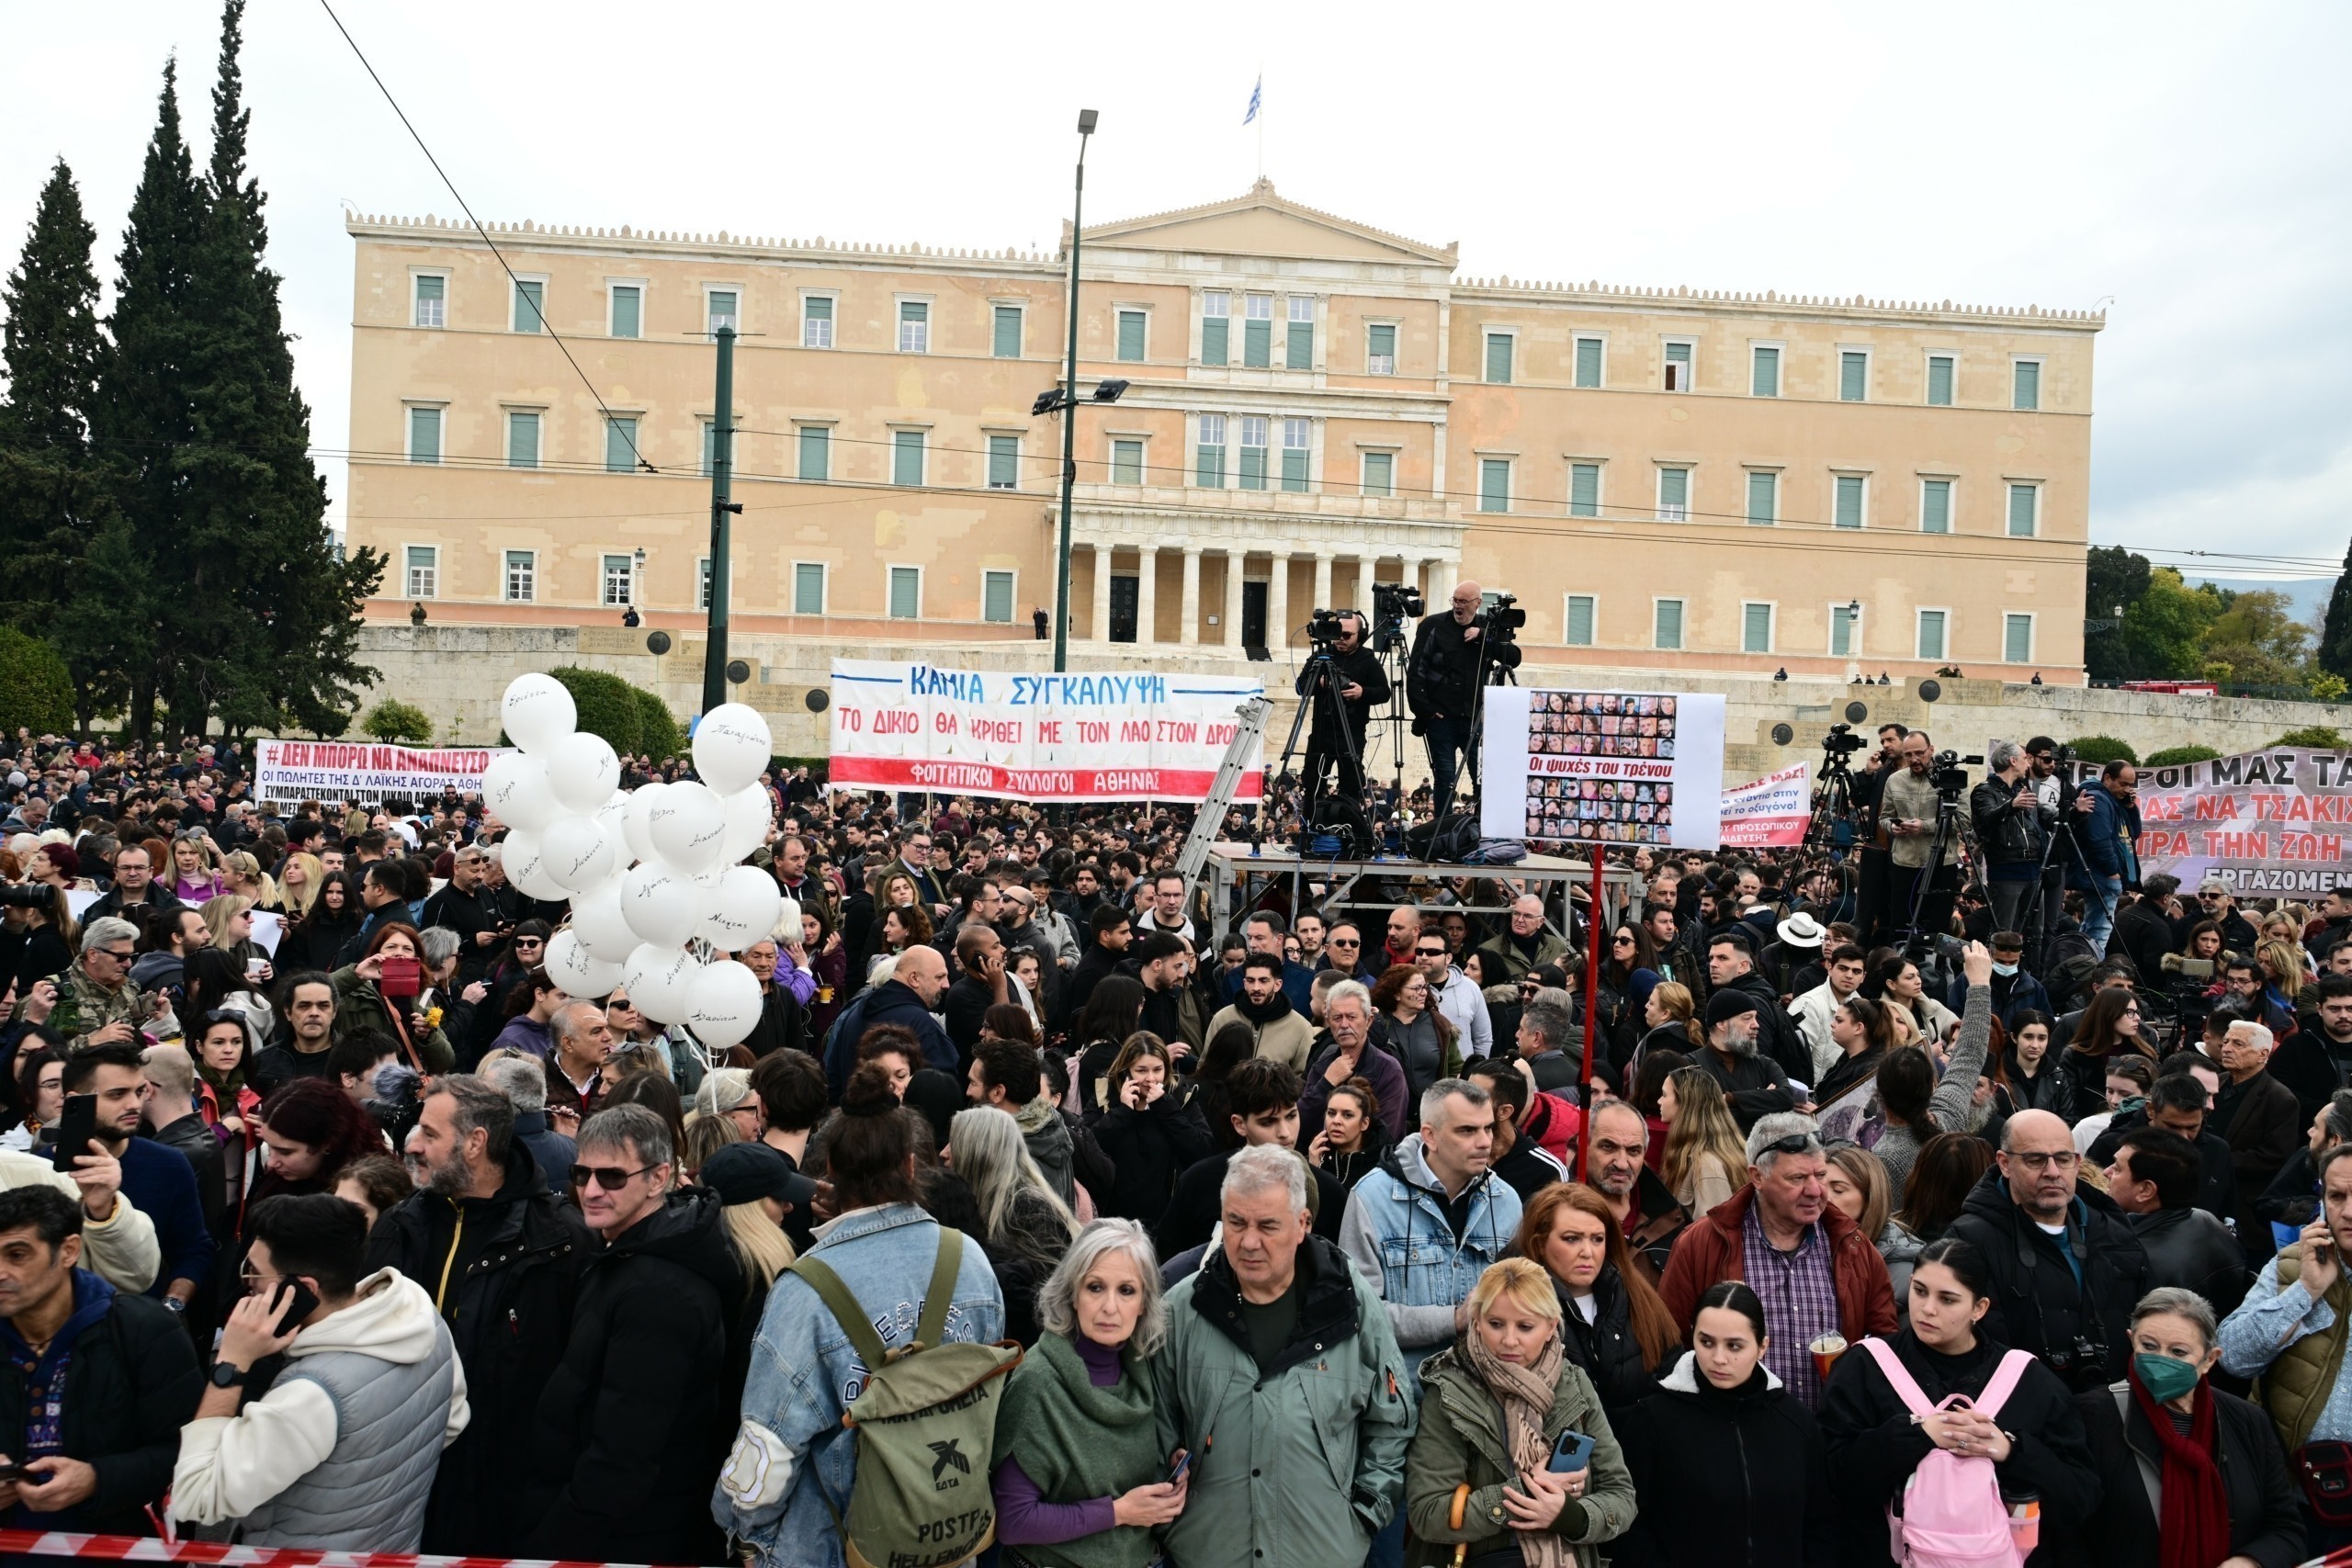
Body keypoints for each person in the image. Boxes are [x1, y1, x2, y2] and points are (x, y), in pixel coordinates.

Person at [718, 1063, 1006, 1568]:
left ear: (828, 1168)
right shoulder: (969, 1260)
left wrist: (739, 1525)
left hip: (839, 1543)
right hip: (949, 1536)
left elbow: (768, 1451)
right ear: (912, 1169)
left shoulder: (805, 1289)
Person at [1150, 1144, 1411, 1568]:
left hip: (1323, 1552)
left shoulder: (1349, 1304)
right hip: (1208, 1553)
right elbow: (1154, 1423)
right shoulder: (1182, 1309)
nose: (1249, 1242)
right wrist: (1170, 1506)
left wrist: (1366, 1511)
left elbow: (1392, 1418)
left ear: (1302, 1224)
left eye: (1268, 1226)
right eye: (1236, 1222)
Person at [364, 1074, 591, 1554]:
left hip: (503, 1484)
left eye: (430, 1133)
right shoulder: (399, 1225)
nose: (415, 1146)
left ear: (475, 1143)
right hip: (400, 1468)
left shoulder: (559, 1240)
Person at [169, 1192, 467, 1549]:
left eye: (255, 1273)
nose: (247, 1284)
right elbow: (453, 1421)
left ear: (303, 1289)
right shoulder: (421, 1319)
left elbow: (197, 1496)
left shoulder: (309, 1395)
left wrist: (230, 1364)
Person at [524, 1103, 741, 1564]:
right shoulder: (625, 1256)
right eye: (582, 1175)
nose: (592, 1191)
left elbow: (624, 1454)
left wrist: (556, 1545)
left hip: (628, 1536)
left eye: (613, 1178)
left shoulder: (657, 1294)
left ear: (658, 1178)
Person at [1817, 1235, 2100, 1568]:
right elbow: (1832, 1479)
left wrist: (2011, 1450)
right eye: (1920, 1291)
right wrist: (1916, 1437)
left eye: (1948, 1299)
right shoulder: (1865, 1366)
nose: (1927, 1309)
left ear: (1979, 1308)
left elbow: (2081, 1497)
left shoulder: (2029, 1379)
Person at [1402, 1256, 1635, 1568]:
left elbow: (1621, 1497)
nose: (1508, 1340)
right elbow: (1428, 1514)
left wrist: (1569, 1515)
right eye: (1495, 1324)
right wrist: (1522, 1496)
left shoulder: (1574, 1383)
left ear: (1552, 1326)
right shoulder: (1448, 1390)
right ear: (1476, 1320)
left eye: (1525, 1326)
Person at [1658, 1112, 1897, 1409]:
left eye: (1820, 1176)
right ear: (1757, 1176)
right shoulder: (1701, 1244)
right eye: (1797, 1178)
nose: (1815, 1191)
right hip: (1738, 1436)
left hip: (1828, 1439)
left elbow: (1886, 1350)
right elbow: (1669, 1345)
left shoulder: (1854, 1247)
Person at [0, 1183, 197, 1538]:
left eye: (17, 1255)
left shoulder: (144, 1330)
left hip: (115, 1544)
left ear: (69, 1251)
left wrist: (96, 1479)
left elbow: (188, 1453)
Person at [989, 1217, 1187, 1566]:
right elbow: (1013, 1520)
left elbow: (1116, 1479)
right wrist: (1118, 1513)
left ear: (1143, 1303)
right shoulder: (1039, 1382)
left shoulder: (1140, 1371)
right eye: (1095, 1287)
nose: (1110, 1307)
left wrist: (1165, 1477)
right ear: (1073, 1294)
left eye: (1126, 1290)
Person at [2075, 1286, 2303, 1568]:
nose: (2161, 1360)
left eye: (2178, 1351)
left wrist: (2249, 1562)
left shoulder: (2247, 1422)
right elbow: (2068, 1533)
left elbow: (2285, 1528)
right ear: (2131, 1341)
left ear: (2210, 1359)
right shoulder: (2093, 1416)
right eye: (2148, 1346)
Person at [1612, 1280, 1835, 1568]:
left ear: (1762, 1346)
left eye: (1734, 1346)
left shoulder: (1795, 1422)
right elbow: (1630, 1524)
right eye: (1706, 1342)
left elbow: (1821, 1523)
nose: (1718, 1359)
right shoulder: (1654, 1419)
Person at [1340, 1077, 1523, 1407]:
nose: (1484, 1142)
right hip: (1403, 1404)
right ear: (1430, 1136)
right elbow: (1358, 1313)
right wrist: (1453, 1319)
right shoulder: (1371, 1199)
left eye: (1488, 1128)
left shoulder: (1506, 1200)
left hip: (1488, 1401)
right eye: (1467, 1131)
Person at [1948, 1108, 2148, 1388]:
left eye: (2063, 1159)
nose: (2053, 1172)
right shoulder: (1969, 1240)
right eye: (2035, 1160)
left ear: (2078, 1162)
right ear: (2004, 1163)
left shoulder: (2111, 1228)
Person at [64, 1042, 213, 1314]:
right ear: (75, 1101)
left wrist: (170, 1307)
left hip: (138, 1333)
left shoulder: (168, 1164)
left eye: (139, 1091)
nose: (134, 1104)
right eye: (117, 1094)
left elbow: (193, 1251)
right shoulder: (40, 1169)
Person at [1519, 1181, 1679, 1415]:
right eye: (1572, 1238)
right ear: (1540, 1244)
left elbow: (1674, 1375)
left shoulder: (1639, 1297)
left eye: (1597, 1239)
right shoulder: (1515, 1308)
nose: (1587, 1252)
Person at [948, 1104, 1078, 1346]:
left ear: (979, 1154)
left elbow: (1044, 1305)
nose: (945, 1153)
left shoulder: (1029, 1213)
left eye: (954, 1145)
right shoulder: (973, 1203)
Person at [1408, 579, 1522, 813]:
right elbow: (1416, 670)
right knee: (1445, 779)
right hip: (1441, 718)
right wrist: (1425, 710)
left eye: (1463, 601)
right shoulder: (1433, 625)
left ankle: (1480, 829)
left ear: (1477, 603)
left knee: (1482, 778)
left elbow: (1514, 658)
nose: (1458, 606)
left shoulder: (1487, 628)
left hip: (1474, 718)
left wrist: (1484, 636)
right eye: (1455, 600)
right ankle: (1442, 833)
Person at [2216, 1019, 2304, 1257]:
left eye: (2238, 1044)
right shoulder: (2218, 1083)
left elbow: (2276, 1156)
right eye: (2225, 1042)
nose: (2226, 1048)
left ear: (2263, 1054)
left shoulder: (2280, 1099)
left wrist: (2219, 1161)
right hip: (2208, 1196)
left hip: (2244, 1208)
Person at [1295, 610, 1389, 810]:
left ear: (1360, 636)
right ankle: (1308, 834)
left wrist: (1362, 692)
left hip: (1351, 733)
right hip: (1321, 732)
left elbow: (1384, 692)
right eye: (1338, 633)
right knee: (1312, 784)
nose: (1341, 639)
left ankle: (1348, 834)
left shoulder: (1368, 660)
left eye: (1347, 635)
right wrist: (1318, 682)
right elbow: (1299, 687)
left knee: (1351, 787)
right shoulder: (1321, 656)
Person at [1689, 987, 1795, 1132]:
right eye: (1747, 1018)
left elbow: (1786, 1098)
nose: (1756, 1024)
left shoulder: (1765, 1064)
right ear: (1721, 1024)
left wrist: (1728, 1099)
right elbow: (1698, 1115)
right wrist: (1763, 1102)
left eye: (1755, 1017)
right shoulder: (1691, 1065)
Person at [1659, 1065, 1747, 1220]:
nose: (1659, 1101)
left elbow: (1711, 1235)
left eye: (1664, 1095)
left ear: (1685, 1102)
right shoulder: (1696, 1154)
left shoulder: (1707, 1164)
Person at [1790, 942, 1870, 1080]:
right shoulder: (1808, 1003)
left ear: (1863, 976)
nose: (1849, 975)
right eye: (1843, 969)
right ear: (1830, 968)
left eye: (1856, 971)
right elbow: (1793, 1061)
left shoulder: (1863, 1008)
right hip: (1810, 1094)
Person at [1476, 895, 1573, 987]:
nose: (1520, 920)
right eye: (1516, 914)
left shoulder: (1556, 946)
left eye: (1528, 916)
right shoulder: (1489, 951)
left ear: (1540, 922)